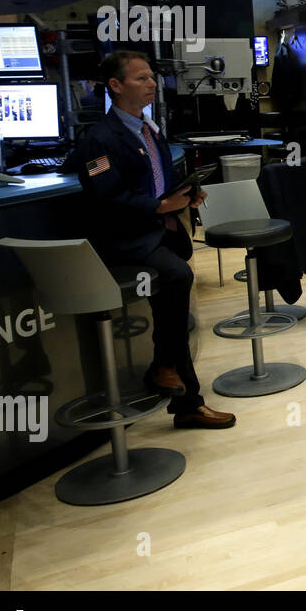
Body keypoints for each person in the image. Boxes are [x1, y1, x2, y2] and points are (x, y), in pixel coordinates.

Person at [71, 51, 235, 429]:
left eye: (151, 77)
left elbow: (157, 181)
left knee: (176, 306)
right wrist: (161, 207)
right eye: (141, 78)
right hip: (126, 240)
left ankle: (170, 374)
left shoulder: (149, 128)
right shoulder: (99, 139)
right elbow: (107, 199)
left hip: (159, 232)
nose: (151, 84)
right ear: (115, 86)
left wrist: (185, 196)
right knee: (178, 278)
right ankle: (180, 390)